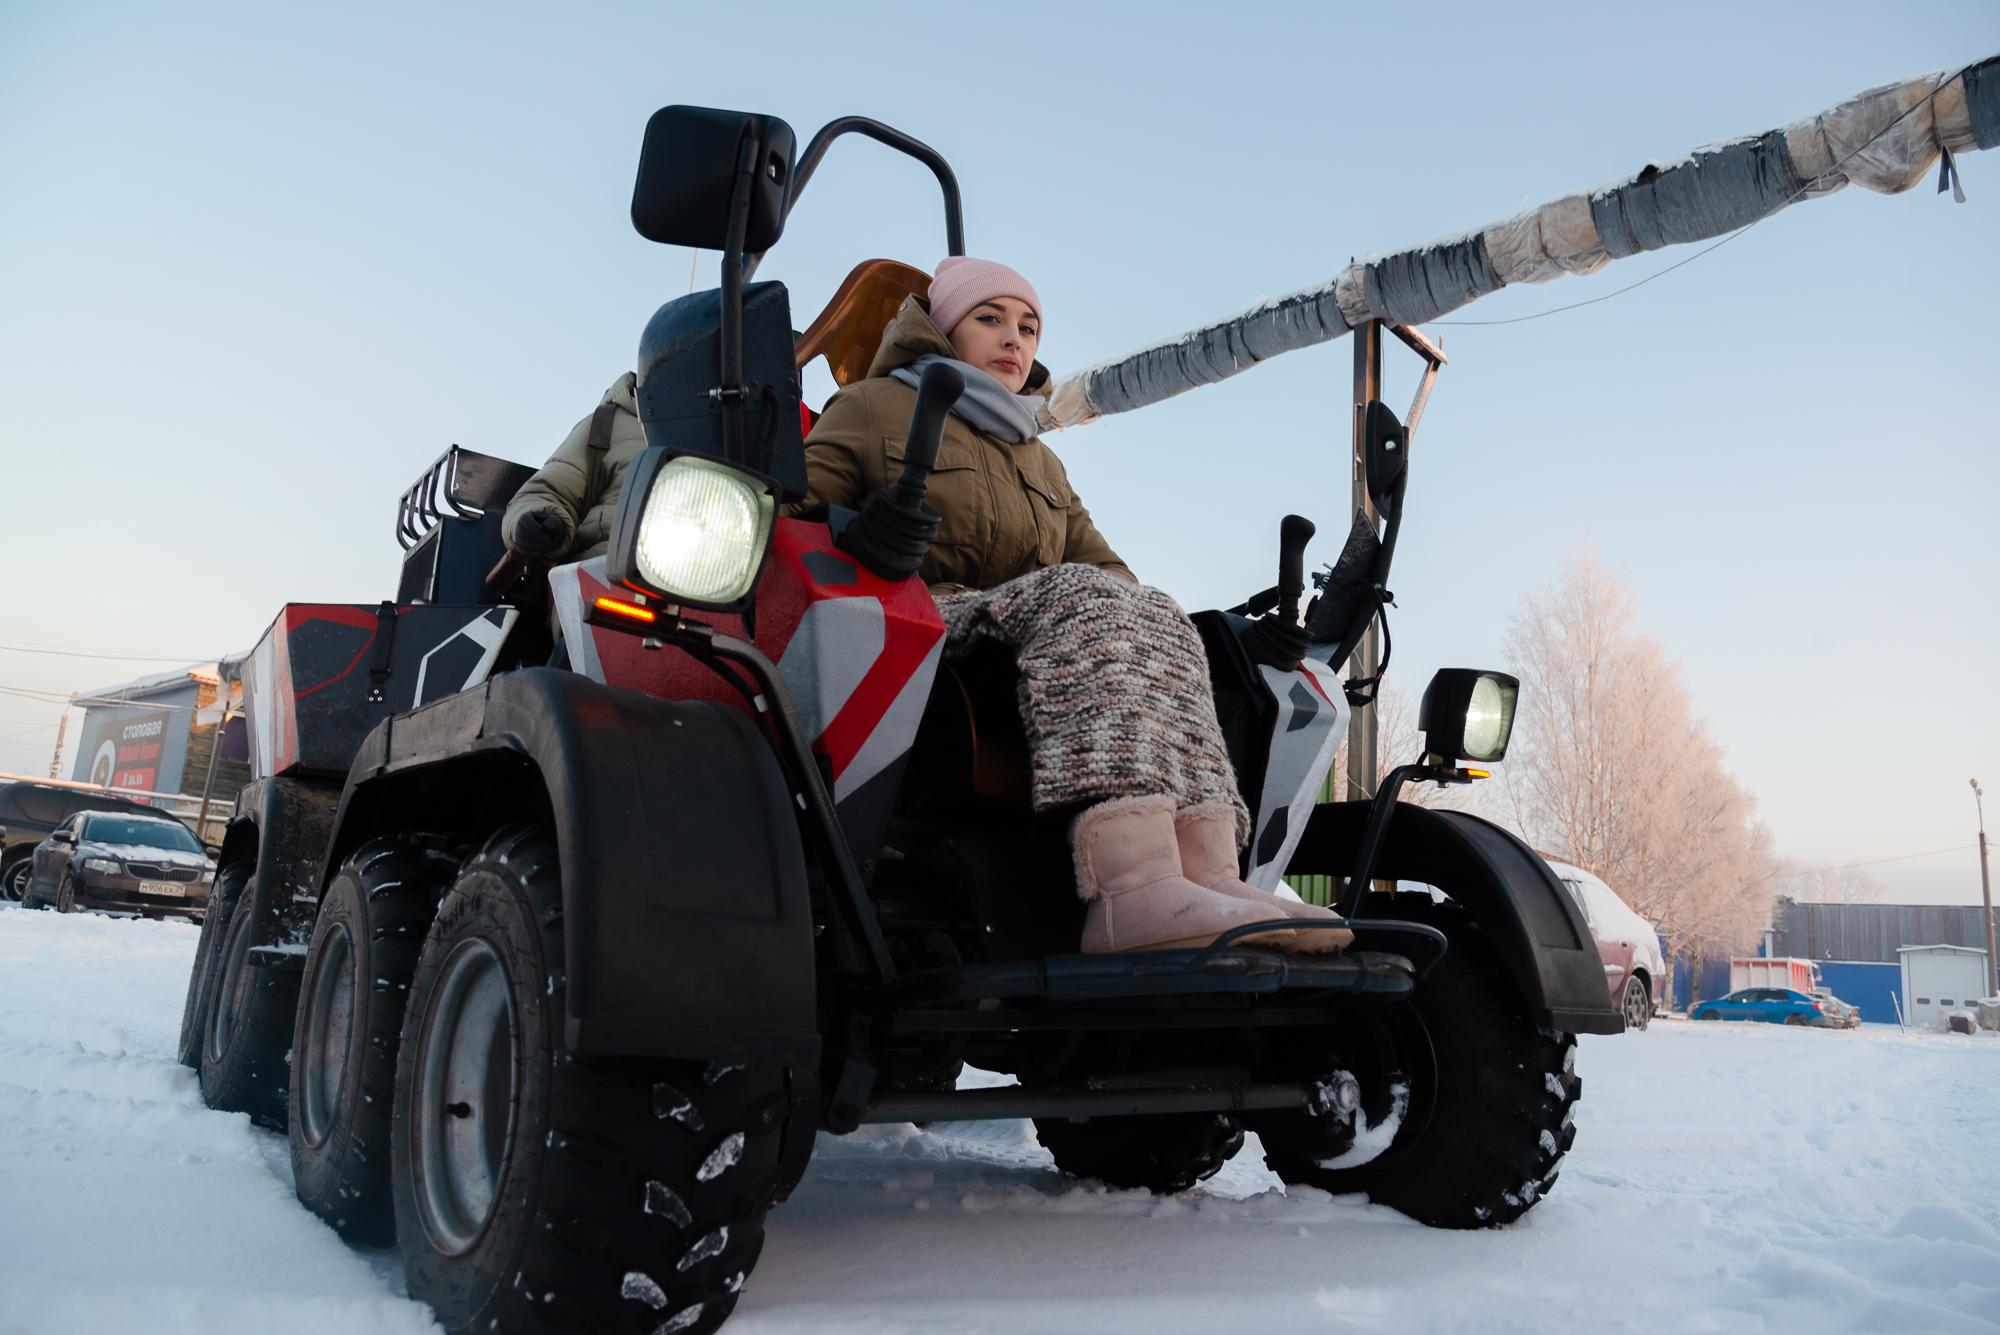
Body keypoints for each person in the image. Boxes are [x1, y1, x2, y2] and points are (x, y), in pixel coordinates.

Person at [802, 257, 1352, 956]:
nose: (1015, 340)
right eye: (990, 318)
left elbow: (1109, 573)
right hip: (918, 615)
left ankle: (1209, 871)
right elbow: (791, 509)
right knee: (1082, 597)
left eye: (1028, 327)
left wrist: (1219, 638)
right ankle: (1130, 885)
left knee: (1155, 612)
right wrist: (861, 532)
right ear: (941, 328)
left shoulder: (1036, 456)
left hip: (1030, 629)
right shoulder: (875, 406)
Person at [501, 371, 647, 565]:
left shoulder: (701, 436)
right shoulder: (606, 425)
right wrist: (541, 520)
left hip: (691, 571)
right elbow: (549, 490)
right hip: (605, 571)